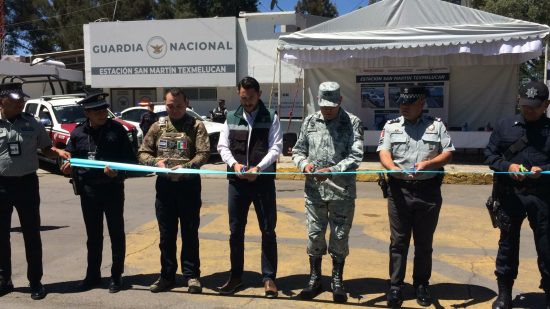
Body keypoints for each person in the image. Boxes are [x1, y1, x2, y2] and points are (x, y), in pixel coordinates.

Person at [377, 86, 454, 308]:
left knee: (424, 243)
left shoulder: (436, 126)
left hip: (428, 191)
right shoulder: (391, 126)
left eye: (409, 103)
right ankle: (395, 286)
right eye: (401, 102)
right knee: (398, 242)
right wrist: (391, 168)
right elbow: (384, 151)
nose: (404, 106)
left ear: (422, 102)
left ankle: (421, 284)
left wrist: (429, 164)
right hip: (399, 190)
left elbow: (448, 152)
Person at [292, 81, 364, 303]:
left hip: (341, 193)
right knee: (314, 237)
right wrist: (304, 165)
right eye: (324, 106)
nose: (328, 110)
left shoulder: (352, 123)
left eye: (331, 105)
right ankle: (315, 278)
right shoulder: (310, 121)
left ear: (340, 101)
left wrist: (331, 170)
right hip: (314, 193)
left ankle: (337, 280)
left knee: (340, 238)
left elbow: (356, 156)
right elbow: (298, 150)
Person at [59, 93, 137, 293]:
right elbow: (71, 158)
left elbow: (130, 159)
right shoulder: (77, 133)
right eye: (98, 111)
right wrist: (67, 167)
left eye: (104, 109)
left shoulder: (116, 130)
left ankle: (116, 276)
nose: (103, 114)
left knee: (116, 233)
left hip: (112, 188)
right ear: (87, 113)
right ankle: (92, 276)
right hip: (89, 191)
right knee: (93, 236)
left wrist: (118, 171)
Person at [485, 81, 550, 309]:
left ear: (546, 105)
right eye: (524, 105)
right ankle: (505, 293)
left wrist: (543, 170)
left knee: (546, 245)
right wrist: (507, 167)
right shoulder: (505, 126)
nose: (528, 110)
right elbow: (490, 155)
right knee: (507, 245)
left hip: (542, 197)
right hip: (510, 195)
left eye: (534, 106)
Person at [138, 88, 210, 294]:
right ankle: (167, 276)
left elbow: (204, 153)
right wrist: (155, 162)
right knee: (166, 235)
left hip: (188, 187)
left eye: (179, 105)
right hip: (165, 188)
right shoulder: (157, 126)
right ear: (165, 104)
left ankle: (192, 276)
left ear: (186, 104)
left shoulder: (196, 126)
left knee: (189, 233)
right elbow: (143, 152)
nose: (175, 109)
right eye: (170, 105)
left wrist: (188, 166)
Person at [216, 76, 282, 298]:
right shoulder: (231, 117)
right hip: (237, 183)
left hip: (262, 182)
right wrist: (234, 164)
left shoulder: (271, 117)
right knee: (236, 230)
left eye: (251, 98)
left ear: (259, 94)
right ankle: (236, 276)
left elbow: (276, 148)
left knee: (267, 229)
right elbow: (223, 146)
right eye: (244, 98)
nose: (247, 102)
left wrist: (258, 169)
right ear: (239, 94)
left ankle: (269, 278)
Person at [0, 82, 67, 300]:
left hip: (27, 184)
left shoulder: (32, 122)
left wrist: (58, 152)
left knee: (31, 233)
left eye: (22, 100)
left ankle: (35, 282)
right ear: (3, 101)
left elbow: (46, 148)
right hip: (1, 185)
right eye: (16, 101)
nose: (21, 104)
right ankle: (4, 280)